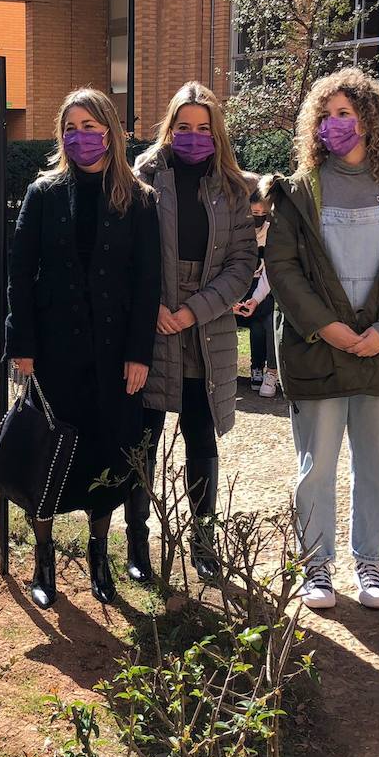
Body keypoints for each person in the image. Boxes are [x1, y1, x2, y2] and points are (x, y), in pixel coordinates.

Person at [263, 68, 379, 612]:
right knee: (316, 465)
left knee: (376, 466)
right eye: (326, 114)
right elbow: (284, 268)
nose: (335, 124)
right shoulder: (297, 191)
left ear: (371, 119)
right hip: (319, 347)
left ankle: (371, 563)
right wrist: (329, 327)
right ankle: (316, 563)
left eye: (346, 113)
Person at [6, 88, 160, 608]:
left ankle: (99, 555)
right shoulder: (43, 193)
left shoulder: (138, 199)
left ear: (111, 132)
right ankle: (43, 558)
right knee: (50, 454)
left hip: (116, 357)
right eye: (71, 127)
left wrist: (140, 353)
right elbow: (20, 275)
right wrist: (21, 344)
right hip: (54, 353)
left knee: (106, 454)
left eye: (91, 126)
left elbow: (147, 283)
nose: (81, 137)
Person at [124, 82, 255, 585]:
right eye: (184, 127)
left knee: (201, 437)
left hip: (207, 325)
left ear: (216, 132)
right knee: (143, 437)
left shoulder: (232, 187)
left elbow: (243, 264)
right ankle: (137, 540)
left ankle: (203, 544)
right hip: (151, 319)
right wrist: (152, 304)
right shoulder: (143, 178)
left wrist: (194, 309)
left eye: (203, 128)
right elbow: (129, 250)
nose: (194, 136)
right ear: (169, 128)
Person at [235, 188, 280, 398]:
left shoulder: (274, 232)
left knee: (265, 321)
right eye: (254, 213)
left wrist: (255, 298)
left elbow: (270, 271)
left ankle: (267, 371)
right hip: (235, 288)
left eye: (263, 213)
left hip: (261, 290)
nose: (259, 218)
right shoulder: (237, 230)